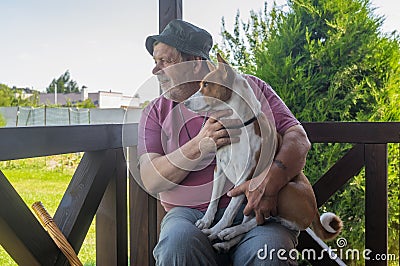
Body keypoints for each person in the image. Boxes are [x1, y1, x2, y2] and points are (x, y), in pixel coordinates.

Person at [137, 19, 311, 266]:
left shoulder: (250, 88)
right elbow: (151, 179)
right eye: (155, 62)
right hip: (189, 216)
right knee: (177, 244)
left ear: (195, 65)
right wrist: (198, 145)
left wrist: (269, 184)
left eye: (166, 61)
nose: (156, 70)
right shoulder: (155, 111)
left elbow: (299, 140)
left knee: (270, 252)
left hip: (258, 211)